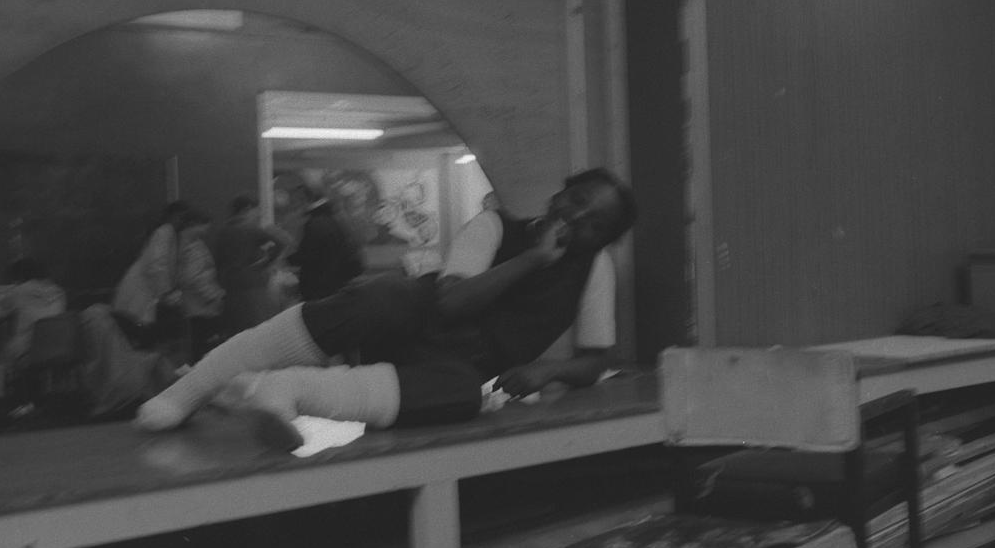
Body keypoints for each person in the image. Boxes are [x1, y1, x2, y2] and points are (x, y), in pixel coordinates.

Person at [135, 168, 637, 451]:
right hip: (416, 318)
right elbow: (451, 301)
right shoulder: (494, 228)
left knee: (462, 395)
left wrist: (549, 368)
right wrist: (532, 259)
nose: (576, 217)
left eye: (594, 223)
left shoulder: (593, 270)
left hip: (461, 364)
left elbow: (595, 359)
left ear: (604, 241)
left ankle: (281, 392)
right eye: (576, 199)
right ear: (559, 192)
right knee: (386, 296)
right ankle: (189, 391)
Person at [111, 201, 191, 349]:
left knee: (143, 340)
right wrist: (167, 293)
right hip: (142, 296)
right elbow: (156, 265)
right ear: (174, 216)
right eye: (182, 217)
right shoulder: (165, 231)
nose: (183, 221)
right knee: (145, 341)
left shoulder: (168, 233)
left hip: (143, 296)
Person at [0, 257, 68, 400]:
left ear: (18, 276)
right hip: (61, 346)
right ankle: (51, 395)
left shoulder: (18, 291)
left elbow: (1, 309)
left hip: (30, 346)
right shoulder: (58, 291)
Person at [215, 195, 293, 337]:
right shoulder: (250, 229)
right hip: (253, 285)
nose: (259, 213)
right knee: (257, 327)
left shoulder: (223, 231)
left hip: (229, 285)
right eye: (257, 210)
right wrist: (266, 262)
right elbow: (281, 242)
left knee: (236, 329)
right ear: (248, 209)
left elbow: (218, 260)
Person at [292, 185, 365, 301]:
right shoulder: (334, 218)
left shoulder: (315, 223)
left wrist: (288, 260)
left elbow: (309, 255)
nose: (295, 205)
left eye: (297, 200)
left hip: (319, 285)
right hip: (337, 282)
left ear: (306, 199)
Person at [178, 208, 226, 363]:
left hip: (197, 302)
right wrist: (212, 296)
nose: (207, 230)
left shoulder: (188, 243)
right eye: (204, 225)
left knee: (201, 342)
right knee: (204, 344)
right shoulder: (192, 247)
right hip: (201, 304)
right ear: (194, 224)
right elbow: (193, 277)